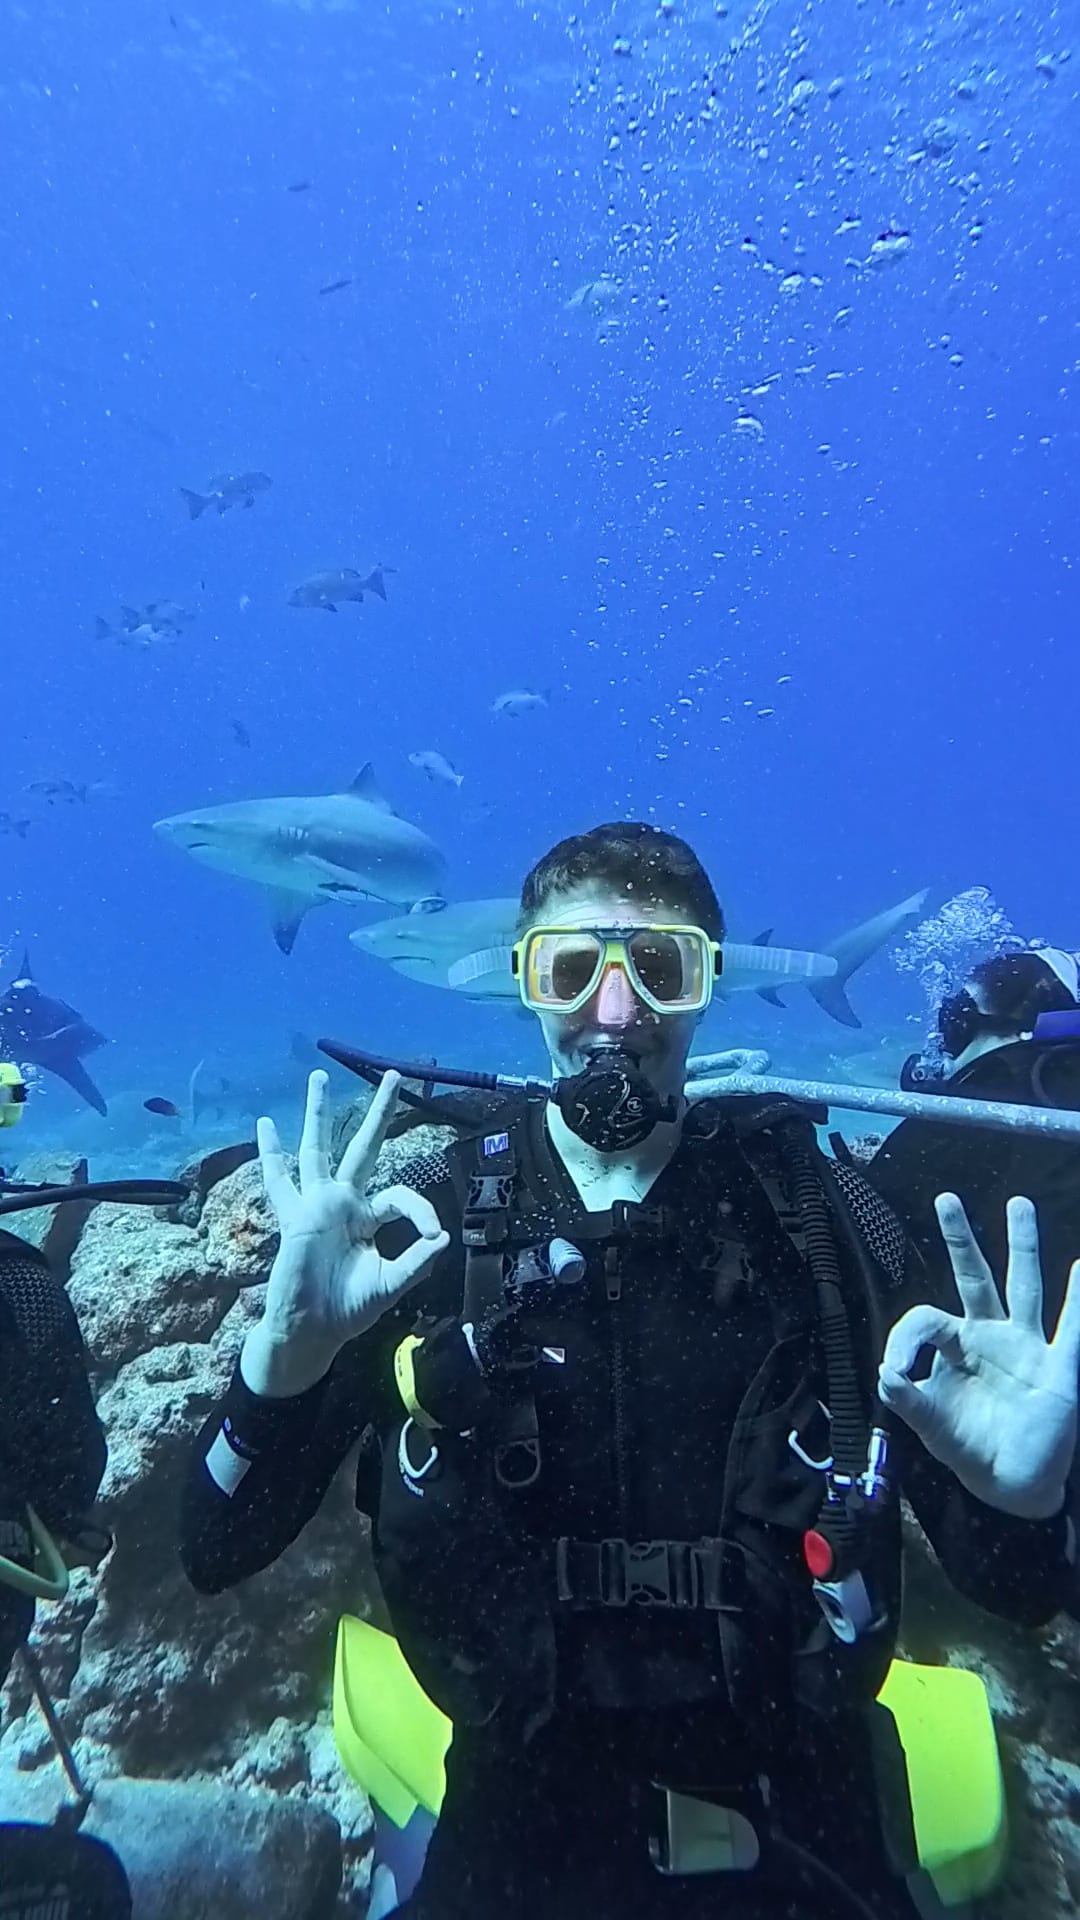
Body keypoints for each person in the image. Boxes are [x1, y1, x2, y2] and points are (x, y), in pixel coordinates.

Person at [180, 826, 1079, 1920]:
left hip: (805, 1801)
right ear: (526, 985)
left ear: (708, 986)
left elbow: (1016, 1586)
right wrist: (280, 1369)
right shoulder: (425, 1224)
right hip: (516, 1810)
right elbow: (213, 1547)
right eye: (572, 970)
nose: (617, 1013)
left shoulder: (831, 1219)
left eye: (660, 969)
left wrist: (1025, 1502)